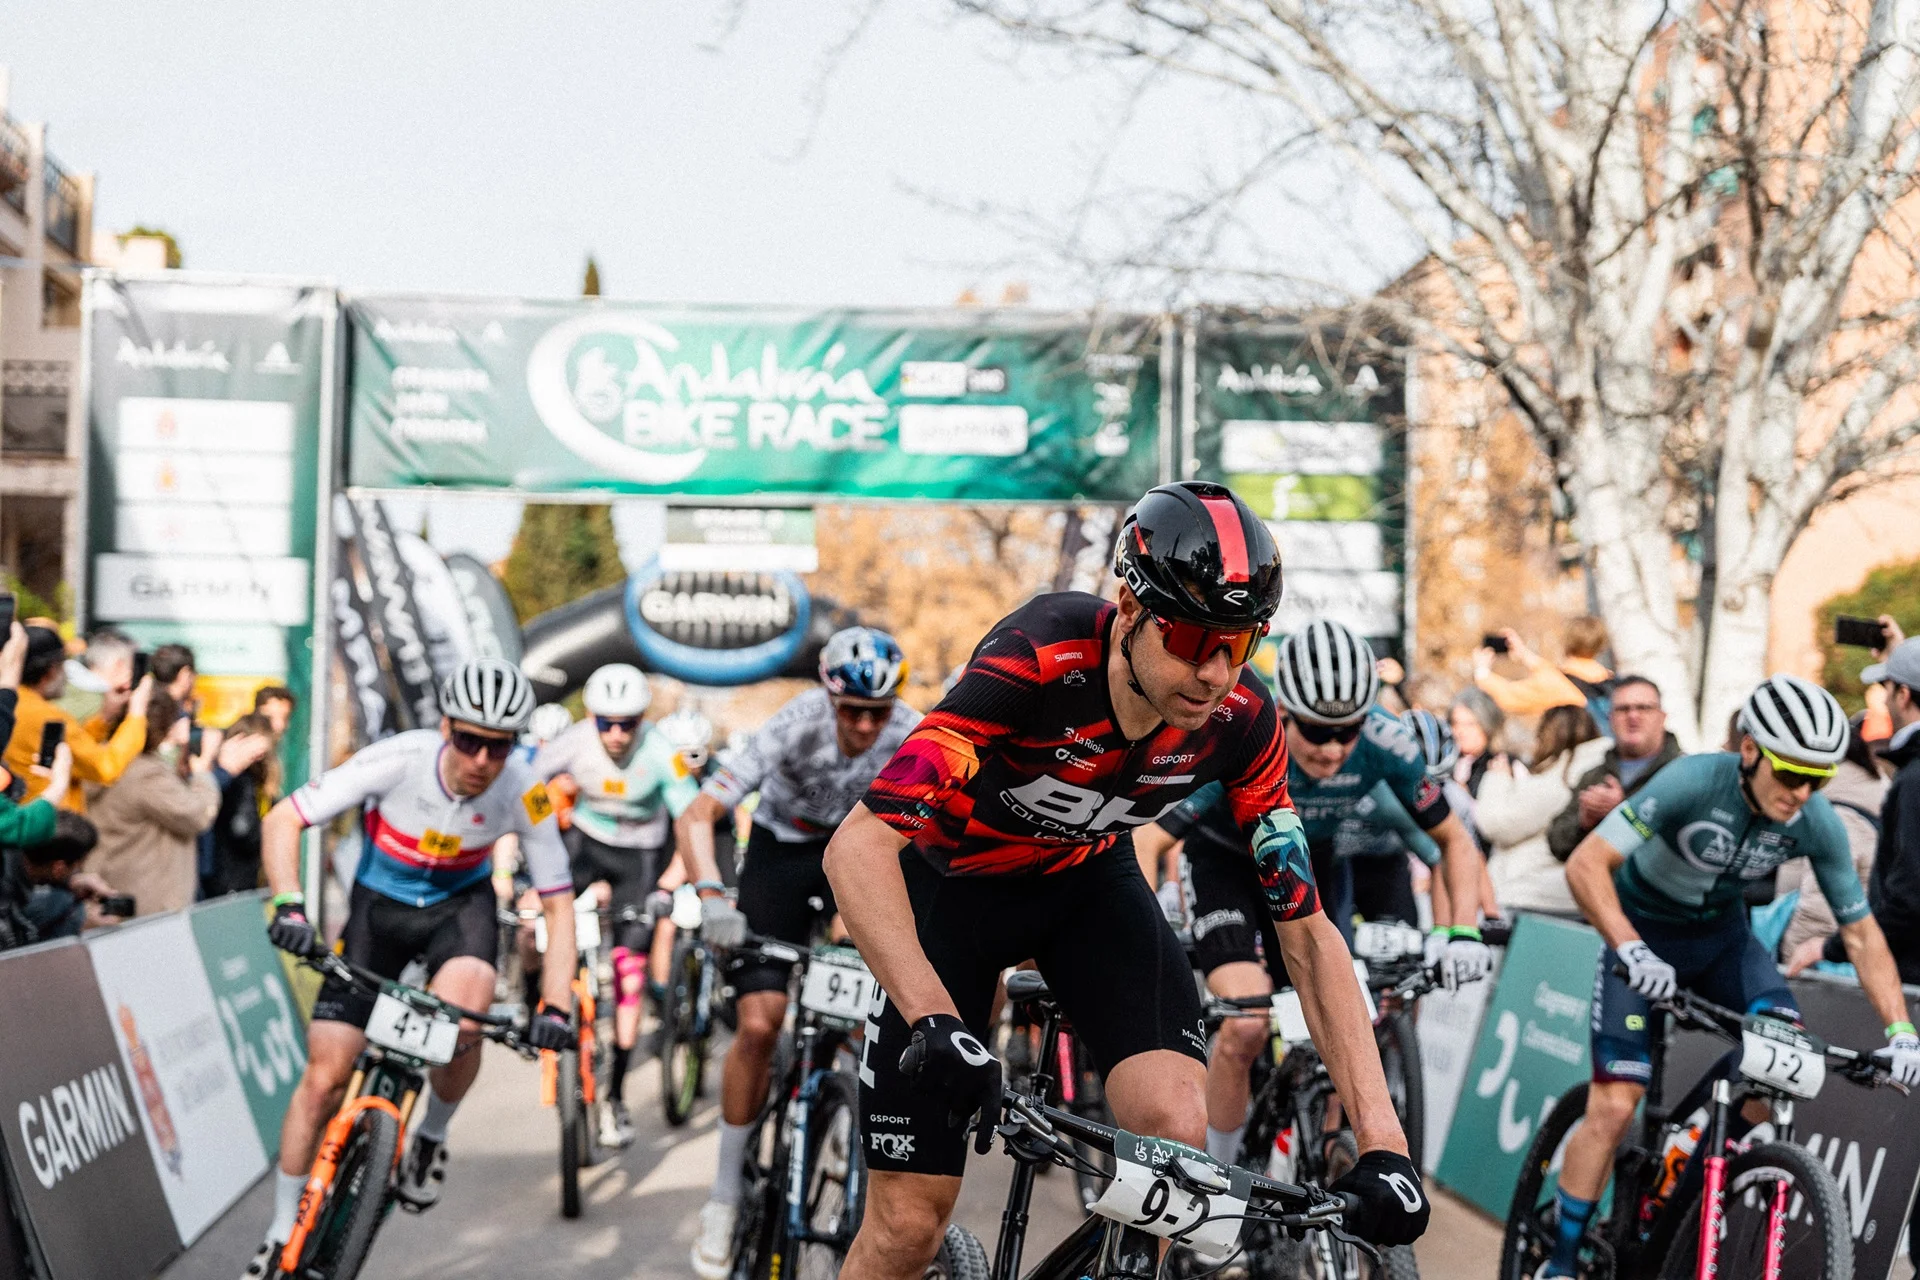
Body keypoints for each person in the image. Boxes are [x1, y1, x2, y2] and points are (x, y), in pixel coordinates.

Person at [819, 483, 1434, 1280]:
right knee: (907, 1228)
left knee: (1177, 1143)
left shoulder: (1245, 720)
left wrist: (1385, 1143)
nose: (1213, 671)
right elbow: (858, 846)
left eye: (1239, 643)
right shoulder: (1036, 658)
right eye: (1189, 635)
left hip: (1087, 888)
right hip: (954, 892)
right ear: (1131, 608)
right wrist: (933, 1018)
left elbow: (1309, 934)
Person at [1539, 674, 1920, 1279]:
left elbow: (1862, 931)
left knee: (1778, 1070)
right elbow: (1588, 865)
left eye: (1817, 778)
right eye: (1790, 773)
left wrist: (1900, 1030)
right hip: (1641, 938)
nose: (1801, 792)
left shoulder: (1814, 820)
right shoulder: (1692, 780)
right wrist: (1632, 950)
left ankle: (1684, 1199)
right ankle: (1558, 1261)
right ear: (1748, 751)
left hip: (1724, 946)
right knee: (1615, 1105)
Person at [247, 659, 581, 1278]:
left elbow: (559, 906)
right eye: (469, 739)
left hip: (460, 910)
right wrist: (289, 903)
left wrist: (555, 1005)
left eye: (498, 746)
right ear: (446, 726)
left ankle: (431, 1133)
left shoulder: (525, 788)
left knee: (463, 1024)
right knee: (323, 1078)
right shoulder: (398, 757)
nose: (482, 758)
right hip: (380, 911)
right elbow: (284, 818)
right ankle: (278, 1229)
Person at [1137, 618, 1491, 1176]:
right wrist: (1149, 900)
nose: (1332, 749)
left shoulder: (1385, 743)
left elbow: (1453, 838)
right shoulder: (1246, 733)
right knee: (1247, 1025)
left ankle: (1324, 1162)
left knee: (1341, 1026)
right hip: (1226, 863)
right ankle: (1213, 1187)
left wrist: (1462, 930)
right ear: (1285, 714)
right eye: (1316, 732)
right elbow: (1153, 836)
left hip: (1311, 864)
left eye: (1347, 731)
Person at [685, 625, 917, 1279]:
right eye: (853, 712)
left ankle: (838, 1098)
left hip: (857, 855)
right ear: (828, 696)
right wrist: (711, 895)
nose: (868, 727)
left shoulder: (913, 729)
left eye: (879, 713)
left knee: (861, 991)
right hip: (781, 855)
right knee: (761, 1023)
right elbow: (699, 813)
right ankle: (725, 1197)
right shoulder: (793, 723)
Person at [532, 663, 700, 1146]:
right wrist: (541, 831)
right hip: (585, 846)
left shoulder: (660, 751)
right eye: (607, 722)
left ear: (643, 719)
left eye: (629, 722)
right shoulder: (576, 740)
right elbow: (523, 783)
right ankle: (544, 1000)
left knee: (630, 977)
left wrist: (668, 886)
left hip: (640, 860)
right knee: (538, 921)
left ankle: (616, 1095)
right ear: (591, 715)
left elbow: (691, 821)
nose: (618, 733)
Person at [1812, 633, 1920, 984]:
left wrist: (1830, 948)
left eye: (1888, 689)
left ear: (1902, 695)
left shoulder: (1914, 779)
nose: (1884, 700)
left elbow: (1909, 899)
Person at [85, 690, 245, 917]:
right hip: (147, 906)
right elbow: (197, 815)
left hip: (116, 888)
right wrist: (203, 774)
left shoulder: (107, 761)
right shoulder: (145, 775)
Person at [1478, 705, 1607, 918]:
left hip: (1535, 893)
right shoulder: (1592, 768)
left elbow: (1497, 823)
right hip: (1563, 892)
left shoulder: (1561, 778)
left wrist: (1497, 778)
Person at [3, 625, 151, 811]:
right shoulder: (46, 716)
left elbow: (75, 754)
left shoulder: (11, 705)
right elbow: (104, 767)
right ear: (51, 671)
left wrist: (104, 717)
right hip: (44, 825)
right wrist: (136, 713)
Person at [1546, 676, 1682, 862]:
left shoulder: (1683, 773)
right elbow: (1557, 843)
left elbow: (1686, 847)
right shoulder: (1594, 776)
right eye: (1623, 709)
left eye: (1644, 708)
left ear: (1662, 716)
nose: (1633, 716)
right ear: (1610, 719)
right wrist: (1585, 822)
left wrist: (1622, 813)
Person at [199, 713, 281, 899]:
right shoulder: (240, 780)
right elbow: (242, 829)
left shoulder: (230, 778)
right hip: (231, 883)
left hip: (223, 880)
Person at [1473, 617, 1614, 720]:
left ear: (1566, 642)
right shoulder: (1608, 678)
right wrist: (1524, 654)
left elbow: (1509, 695)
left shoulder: (1554, 683)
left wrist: (1482, 670)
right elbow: (1561, 673)